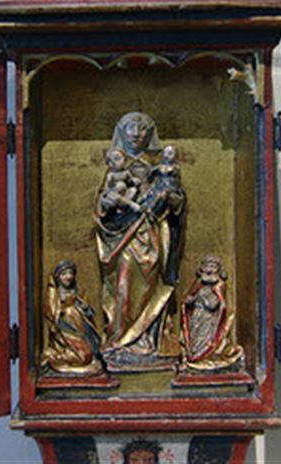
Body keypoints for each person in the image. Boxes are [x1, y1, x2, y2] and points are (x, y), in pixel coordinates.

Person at [94, 112, 186, 371]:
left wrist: (173, 200)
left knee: (151, 284)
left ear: (150, 133)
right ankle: (121, 339)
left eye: (142, 128)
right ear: (121, 132)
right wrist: (106, 205)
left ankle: (148, 340)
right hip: (123, 236)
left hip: (153, 233)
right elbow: (101, 205)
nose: (136, 133)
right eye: (130, 128)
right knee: (123, 285)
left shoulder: (161, 166)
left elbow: (178, 201)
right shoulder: (114, 168)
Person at [180, 255, 244, 372]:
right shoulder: (198, 284)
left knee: (205, 337)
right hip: (197, 315)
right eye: (207, 267)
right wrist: (190, 300)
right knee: (195, 336)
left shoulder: (219, 285)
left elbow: (215, 304)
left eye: (213, 267)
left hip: (209, 318)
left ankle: (204, 355)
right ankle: (194, 355)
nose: (209, 270)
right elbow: (189, 297)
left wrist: (202, 298)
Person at [40, 260, 103, 375]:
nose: (68, 277)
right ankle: (54, 356)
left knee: (88, 354)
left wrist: (85, 309)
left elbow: (88, 312)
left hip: (80, 329)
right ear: (58, 277)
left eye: (70, 273)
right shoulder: (54, 293)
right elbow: (50, 313)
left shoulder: (78, 291)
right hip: (64, 331)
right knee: (83, 356)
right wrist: (61, 313)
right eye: (64, 274)